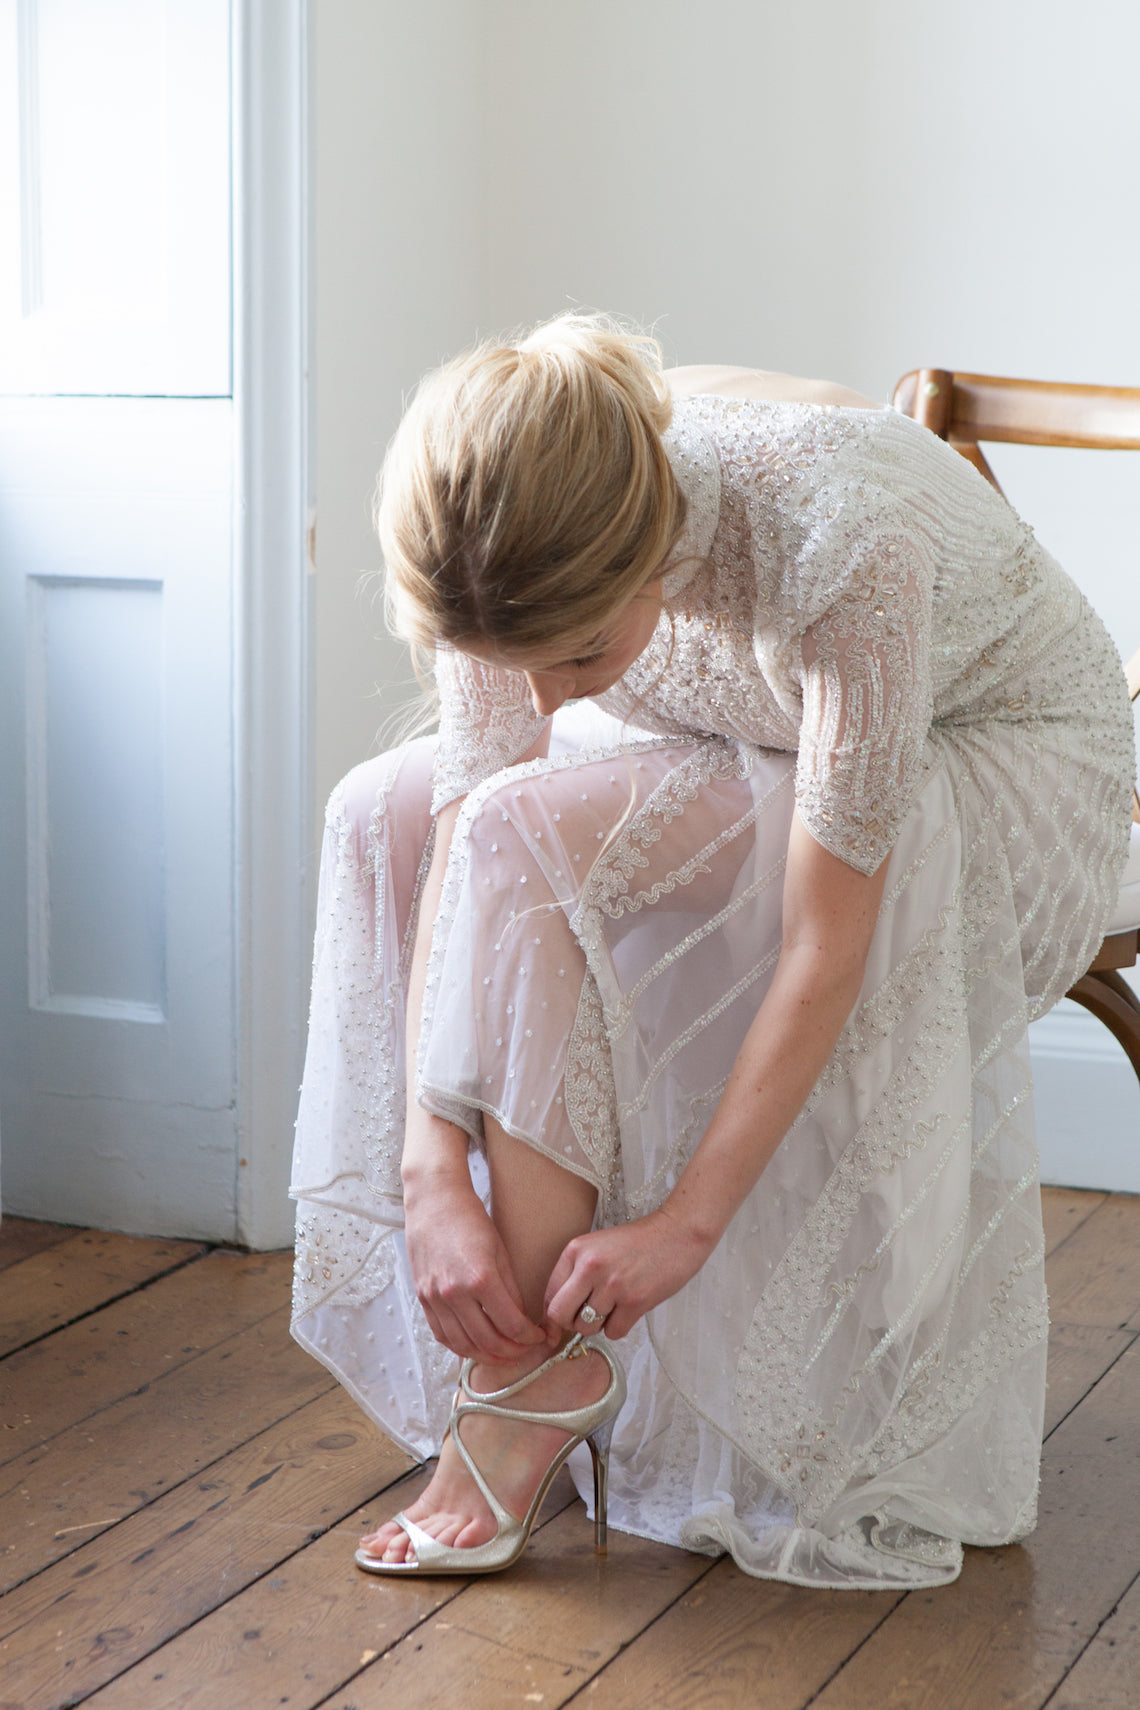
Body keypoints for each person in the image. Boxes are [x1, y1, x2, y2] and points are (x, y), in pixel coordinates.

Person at [289, 314, 1133, 1589]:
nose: (550, 703)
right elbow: (469, 805)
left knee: (531, 832)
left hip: (993, 748)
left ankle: (521, 1378)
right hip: (757, 719)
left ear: (646, 567)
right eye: (514, 666)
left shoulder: (838, 547)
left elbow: (821, 948)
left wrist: (687, 1224)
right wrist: (427, 1165)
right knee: (384, 807)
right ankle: (532, 1333)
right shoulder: (504, 519)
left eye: (577, 658)